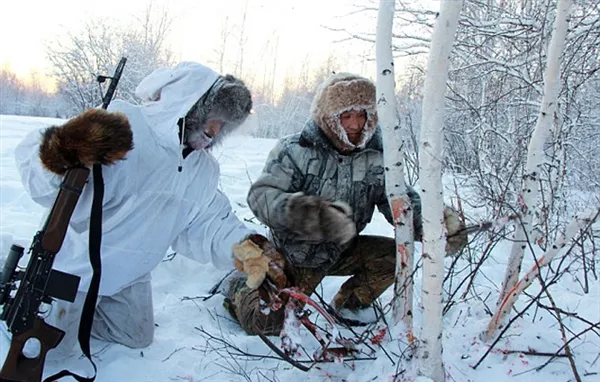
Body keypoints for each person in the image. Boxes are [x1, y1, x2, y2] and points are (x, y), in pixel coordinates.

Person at [8, 62, 279, 357]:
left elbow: (209, 221)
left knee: (136, 336)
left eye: (224, 126)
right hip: (77, 269)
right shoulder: (124, 127)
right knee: (50, 350)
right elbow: (36, 170)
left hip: (128, 276)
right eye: (214, 120)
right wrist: (64, 151)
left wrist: (247, 249)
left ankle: (84, 316)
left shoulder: (201, 170)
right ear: (188, 105)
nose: (215, 132)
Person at [223, 72, 468, 336]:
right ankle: (238, 285)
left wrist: (432, 226)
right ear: (329, 116)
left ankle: (349, 306)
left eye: (361, 114)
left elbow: (399, 201)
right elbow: (262, 196)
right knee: (265, 324)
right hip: (293, 256)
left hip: (342, 250)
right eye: (346, 115)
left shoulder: (376, 157)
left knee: (394, 257)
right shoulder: (295, 149)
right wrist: (308, 215)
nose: (354, 124)